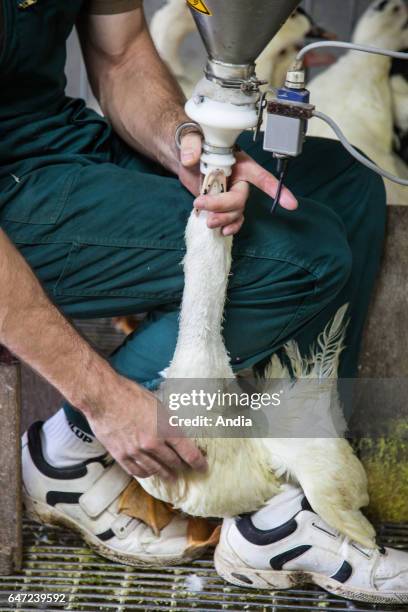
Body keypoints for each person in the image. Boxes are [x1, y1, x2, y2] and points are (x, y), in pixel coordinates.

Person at [1, 0, 407, 603]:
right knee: (299, 254)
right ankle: (71, 450)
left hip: (56, 140)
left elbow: (120, 52)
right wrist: (105, 401)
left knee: (338, 183)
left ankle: (284, 514)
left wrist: (190, 147)